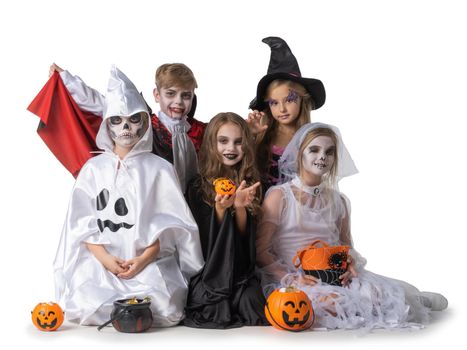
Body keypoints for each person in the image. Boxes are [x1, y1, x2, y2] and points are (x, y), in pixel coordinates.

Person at [256, 122, 448, 330]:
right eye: (314, 150)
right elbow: (262, 250)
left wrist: (349, 264)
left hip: (332, 273)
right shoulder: (279, 196)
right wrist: (293, 278)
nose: (322, 157)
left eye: (329, 152)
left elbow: (345, 244)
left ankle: (415, 299)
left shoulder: (339, 201)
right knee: (328, 304)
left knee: (377, 293)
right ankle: (408, 301)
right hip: (296, 276)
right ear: (300, 153)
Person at [53, 66, 204, 326]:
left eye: (134, 120)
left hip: (147, 262)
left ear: (144, 123)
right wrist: (106, 260)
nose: (126, 128)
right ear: (107, 124)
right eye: (117, 120)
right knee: (86, 303)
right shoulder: (93, 170)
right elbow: (80, 223)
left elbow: (171, 224)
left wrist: (144, 258)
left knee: (166, 305)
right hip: (102, 265)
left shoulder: (160, 169)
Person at [45, 63, 206, 192]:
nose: (178, 101)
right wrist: (67, 80)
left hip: (193, 205)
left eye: (186, 96)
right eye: (170, 94)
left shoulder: (202, 131)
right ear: (157, 95)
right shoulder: (146, 125)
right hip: (154, 201)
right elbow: (104, 104)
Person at [183, 112, 269, 328]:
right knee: (214, 307)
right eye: (223, 141)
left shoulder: (251, 184)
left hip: (240, 269)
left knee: (252, 301)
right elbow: (205, 241)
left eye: (238, 142)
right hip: (212, 269)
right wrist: (221, 209)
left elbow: (244, 240)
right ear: (212, 144)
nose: (231, 148)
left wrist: (240, 208)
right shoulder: (197, 186)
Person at [246, 37, 326, 192]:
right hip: (263, 207)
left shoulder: (311, 137)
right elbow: (241, 167)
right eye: (274, 103)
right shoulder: (262, 135)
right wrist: (249, 134)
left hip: (299, 208)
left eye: (289, 100)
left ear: (302, 99)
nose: (282, 109)